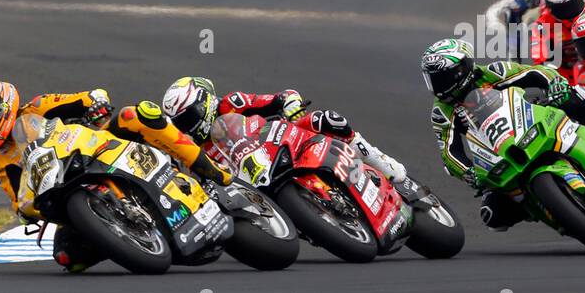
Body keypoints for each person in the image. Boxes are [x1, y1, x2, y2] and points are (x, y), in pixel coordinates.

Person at [0, 82, 232, 273]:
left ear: (3, 108)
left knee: (136, 115)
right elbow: (17, 199)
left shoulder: (38, 108)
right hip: (63, 187)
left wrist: (96, 104)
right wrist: (29, 213)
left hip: (94, 148)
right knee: (67, 257)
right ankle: (126, 236)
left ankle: (206, 166)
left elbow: (89, 96)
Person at [421, 38, 585, 231]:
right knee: (492, 215)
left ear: (462, 69)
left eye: (441, 78)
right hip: (500, 153)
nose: (437, 85)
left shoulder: (493, 73)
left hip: (531, 119)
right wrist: (468, 172)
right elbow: (449, 152)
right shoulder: (442, 111)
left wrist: (555, 84)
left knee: (575, 99)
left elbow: (537, 73)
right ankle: (549, 207)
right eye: (432, 79)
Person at [161, 76, 408, 184]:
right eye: (180, 122)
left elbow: (283, 96)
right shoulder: (187, 146)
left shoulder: (231, 103)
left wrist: (292, 108)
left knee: (329, 120)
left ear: (205, 101)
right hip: (241, 183)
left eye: (189, 116)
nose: (188, 125)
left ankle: (380, 162)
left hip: (277, 142)